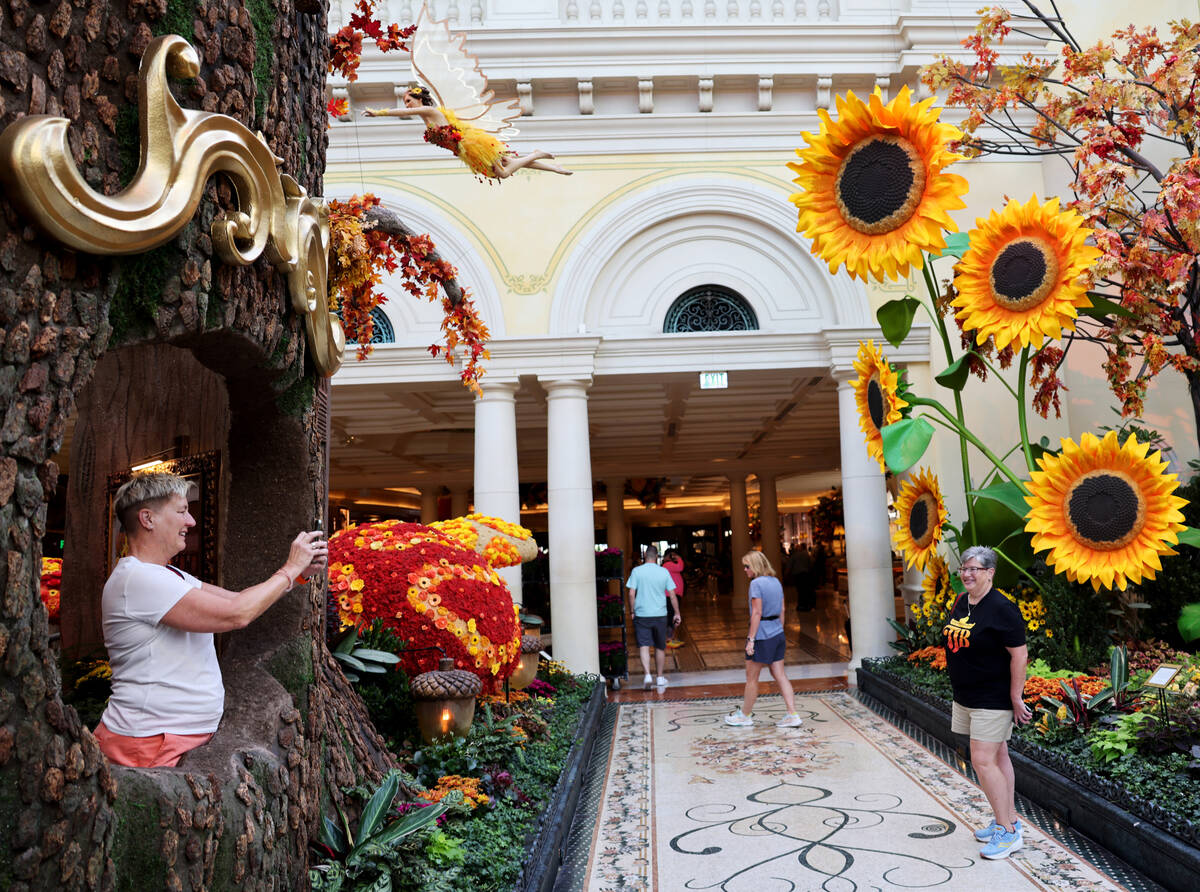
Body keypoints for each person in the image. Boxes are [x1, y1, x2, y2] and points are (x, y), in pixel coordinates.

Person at [94, 471, 327, 768]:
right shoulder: (137, 579)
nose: (190, 521)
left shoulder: (168, 574)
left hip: (163, 739)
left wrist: (299, 575)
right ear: (147, 519)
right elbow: (238, 614)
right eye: (181, 512)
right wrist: (289, 568)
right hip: (149, 742)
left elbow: (237, 600)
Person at [942, 545, 1032, 860]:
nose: (966, 574)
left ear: (990, 572)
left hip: (991, 697)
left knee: (981, 760)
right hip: (965, 695)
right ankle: (1006, 821)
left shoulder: (1002, 608)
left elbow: (1019, 655)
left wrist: (1015, 697)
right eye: (963, 568)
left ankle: (1007, 834)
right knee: (998, 756)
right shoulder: (960, 601)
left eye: (973, 569)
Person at [363, 86, 572, 179]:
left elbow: (398, 112)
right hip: (465, 150)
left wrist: (377, 112)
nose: (407, 105)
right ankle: (555, 169)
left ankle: (535, 154)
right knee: (508, 161)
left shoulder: (429, 111)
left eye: (409, 100)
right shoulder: (425, 119)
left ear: (418, 99)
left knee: (504, 172)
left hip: (471, 145)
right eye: (405, 102)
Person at [725, 551, 803, 728]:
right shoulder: (776, 582)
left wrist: (751, 639)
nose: (745, 570)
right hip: (777, 633)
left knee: (751, 677)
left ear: (755, 566)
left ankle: (744, 715)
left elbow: (757, 613)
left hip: (762, 635)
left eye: (747, 566)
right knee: (780, 674)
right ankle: (793, 714)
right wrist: (779, 631)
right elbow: (782, 609)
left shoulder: (756, 584)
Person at [625, 545, 680, 689]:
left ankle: (647, 675)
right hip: (660, 614)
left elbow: (631, 594)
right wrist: (677, 613)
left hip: (642, 614)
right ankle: (660, 677)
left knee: (644, 645)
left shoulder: (636, 571)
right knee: (660, 647)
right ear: (657, 556)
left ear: (644, 555)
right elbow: (673, 595)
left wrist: (632, 610)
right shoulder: (663, 572)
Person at [661, 548, 686, 648]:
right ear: (667, 556)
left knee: (673, 616)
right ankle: (669, 639)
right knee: (671, 616)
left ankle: (671, 638)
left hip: (674, 595)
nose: (673, 557)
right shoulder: (667, 564)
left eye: (674, 555)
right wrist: (679, 558)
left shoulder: (671, 565)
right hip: (670, 596)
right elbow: (680, 567)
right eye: (672, 555)